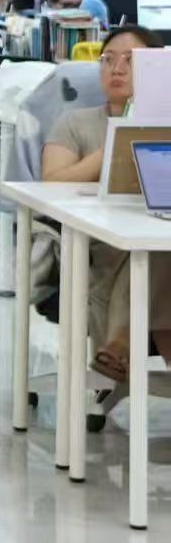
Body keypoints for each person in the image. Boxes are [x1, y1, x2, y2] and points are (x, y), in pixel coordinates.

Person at [42, 25, 171, 380]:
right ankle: (122, 340)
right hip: (100, 245)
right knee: (153, 251)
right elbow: (52, 180)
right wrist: (115, 144)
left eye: (131, 61)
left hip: (154, 233)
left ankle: (120, 344)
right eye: (108, 60)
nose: (117, 69)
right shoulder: (75, 122)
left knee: (158, 244)